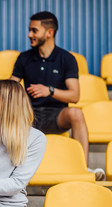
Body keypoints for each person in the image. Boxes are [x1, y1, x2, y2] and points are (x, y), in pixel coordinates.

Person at [10, 11, 105, 180]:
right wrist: (16, 95)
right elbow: (9, 88)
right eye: (29, 30)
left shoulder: (66, 59)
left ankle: (83, 167)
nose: (29, 35)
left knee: (76, 113)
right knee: (12, 113)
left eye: (34, 30)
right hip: (30, 115)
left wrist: (50, 90)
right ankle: (12, 170)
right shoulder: (24, 58)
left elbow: (74, 95)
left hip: (57, 115)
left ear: (49, 33)